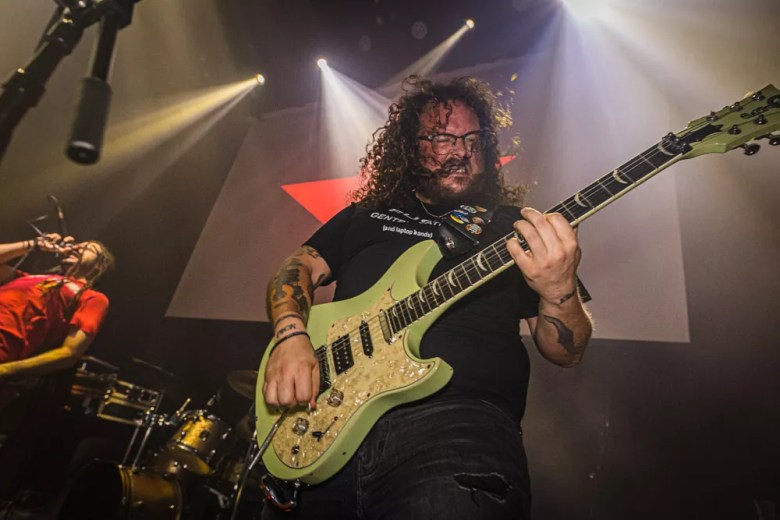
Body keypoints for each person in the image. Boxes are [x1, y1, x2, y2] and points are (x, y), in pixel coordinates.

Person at [261, 76, 593, 519]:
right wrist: (290, 336)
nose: (461, 151)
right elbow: (296, 268)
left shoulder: (517, 228)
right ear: (409, 146)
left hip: (457, 427)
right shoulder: (366, 215)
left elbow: (564, 351)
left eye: (473, 140)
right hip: (326, 423)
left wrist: (558, 290)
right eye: (442, 137)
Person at [0, 234, 113, 383]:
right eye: (77, 245)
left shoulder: (92, 297)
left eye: (86, 248)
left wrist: (5, 370)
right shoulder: (30, 278)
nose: (76, 247)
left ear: (98, 265)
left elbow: (69, 353)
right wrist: (32, 244)